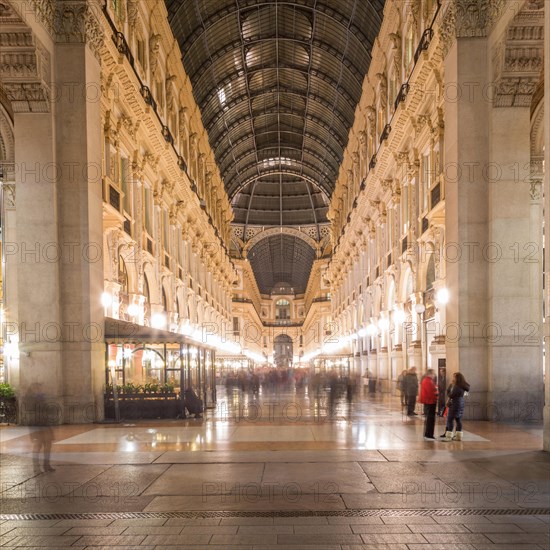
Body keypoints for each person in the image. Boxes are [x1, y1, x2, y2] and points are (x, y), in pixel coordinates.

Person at [442, 372, 470, 441]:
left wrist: (448, 390)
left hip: (455, 404)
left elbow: (451, 395)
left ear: (457, 378)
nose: (453, 378)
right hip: (460, 403)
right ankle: (458, 436)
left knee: (450, 419)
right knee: (458, 420)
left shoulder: (457, 386)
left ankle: (449, 436)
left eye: (454, 377)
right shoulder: (463, 385)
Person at [419, 369, 438, 440]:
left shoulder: (427, 380)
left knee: (429, 419)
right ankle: (429, 434)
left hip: (429, 401)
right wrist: (436, 393)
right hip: (430, 402)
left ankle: (428, 434)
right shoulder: (428, 381)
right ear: (430, 374)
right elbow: (430, 392)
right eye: (433, 374)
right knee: (430, 419)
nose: (434, 375)